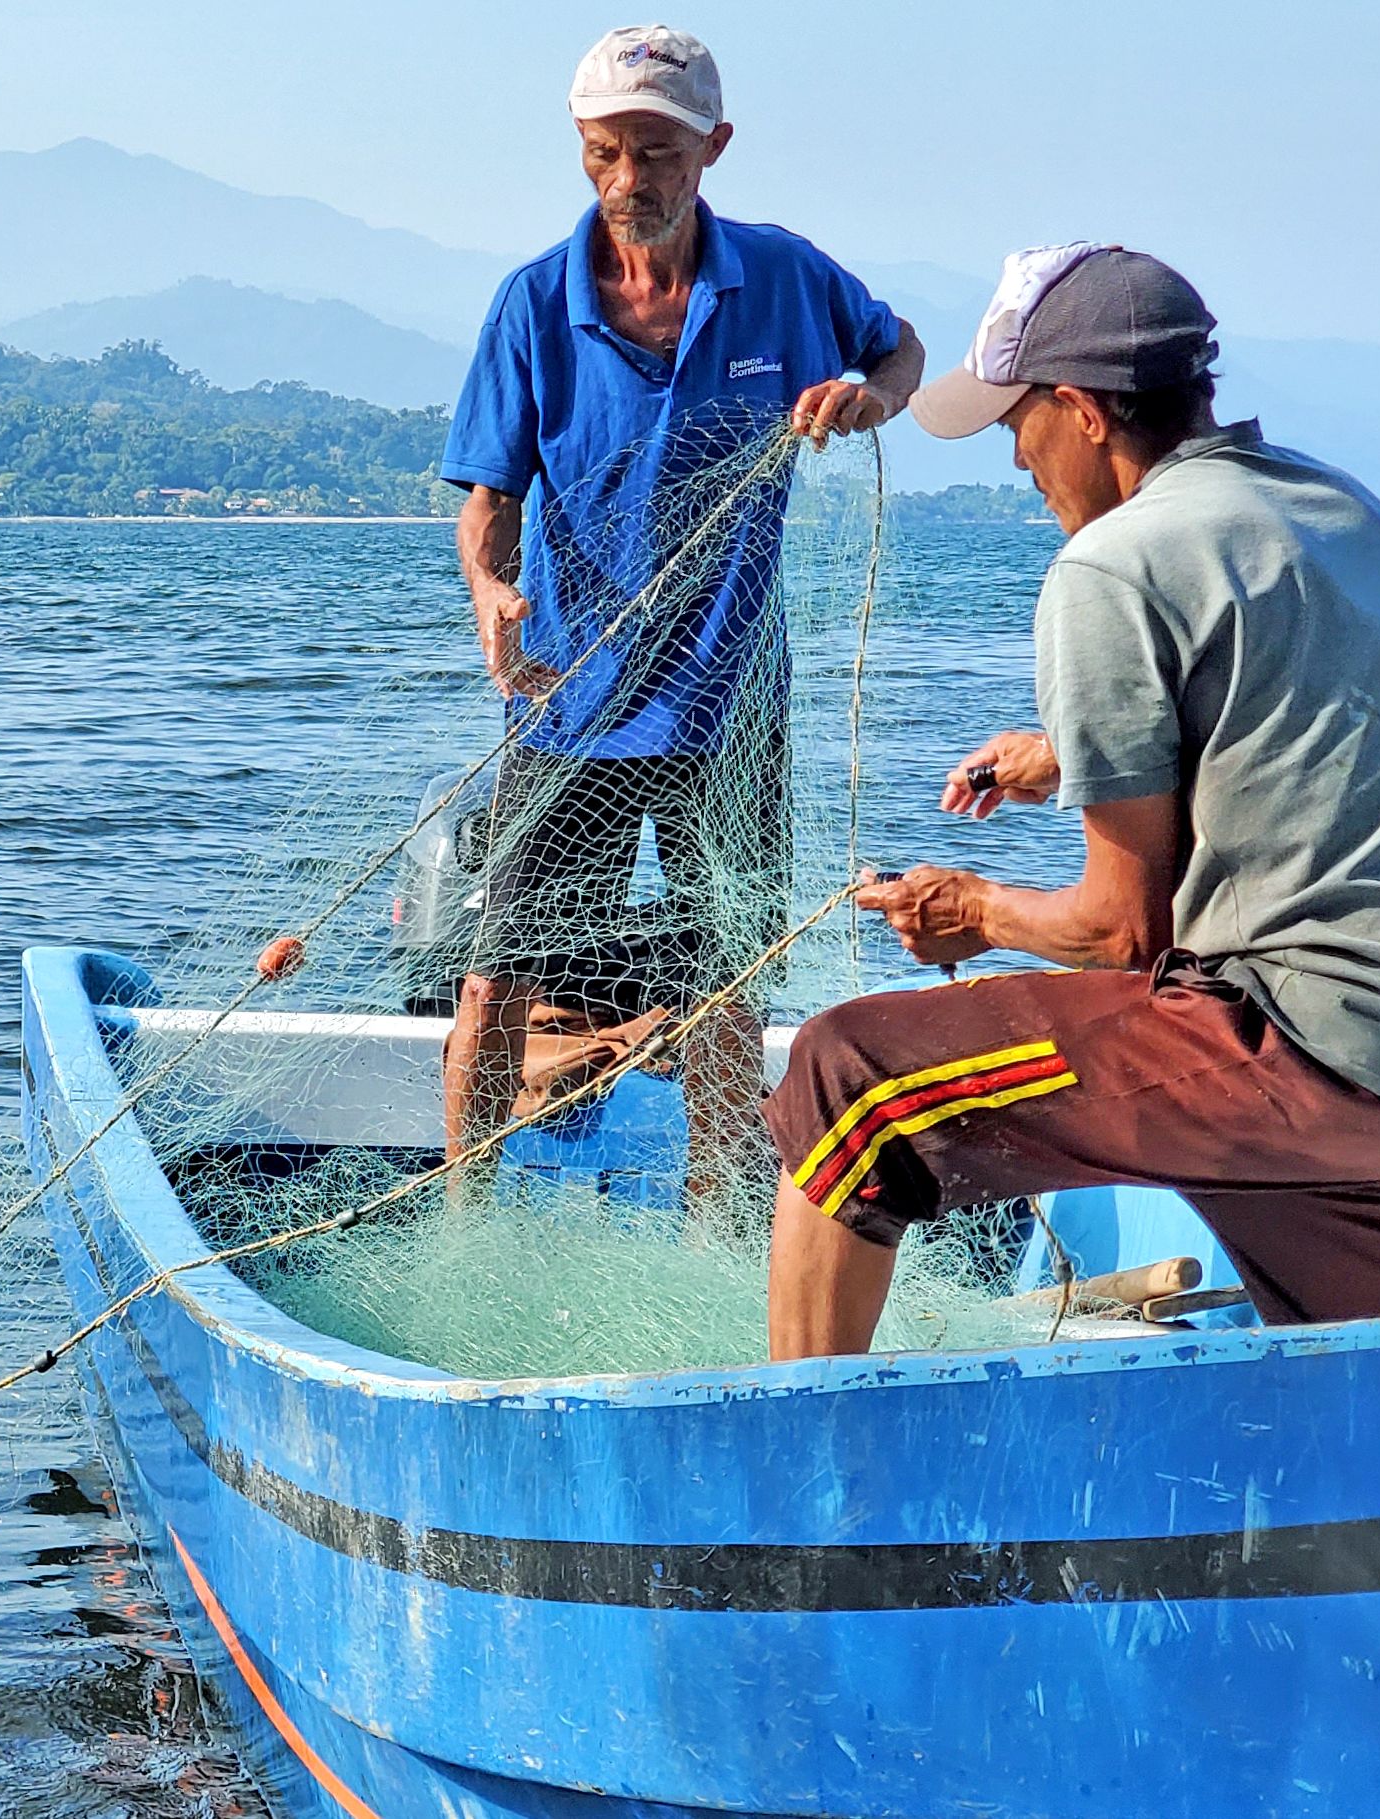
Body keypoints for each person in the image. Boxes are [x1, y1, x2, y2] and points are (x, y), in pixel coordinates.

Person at [761, 244, 1380, 1359]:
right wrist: (1069, 755)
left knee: (850, 1081)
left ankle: (799, 1465)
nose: (1015, 460)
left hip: (1311, 1062)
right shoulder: (1338, 507)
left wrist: (971, 910)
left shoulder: (1110, 564)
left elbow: (1121, 932)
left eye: (1015, 425)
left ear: (1083, 412)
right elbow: (1299, 717)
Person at [435, 23, 925, 1207]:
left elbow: (899, 350)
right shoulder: (533, 306)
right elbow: (487, 502)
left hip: (729, 701)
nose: (627, 179)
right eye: (604, 151)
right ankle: (461, 1210)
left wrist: (871, 399)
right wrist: (491, 593)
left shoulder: (786, 279)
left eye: (654, 152)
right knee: (498, 977)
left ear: (713, 146)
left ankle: (718, 1228)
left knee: (725, 981)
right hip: (569, 705)